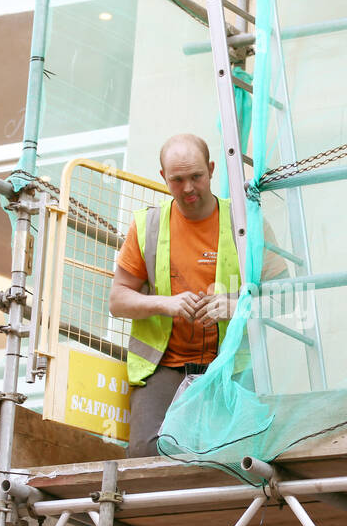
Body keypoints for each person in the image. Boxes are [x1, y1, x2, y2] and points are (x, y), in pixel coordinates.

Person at [109, 134, 284, 457]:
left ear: (212, 170)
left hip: (230, 364)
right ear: (163, 178)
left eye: (196, 177)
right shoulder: (147, 226)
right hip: (163, 366)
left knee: (236, 452)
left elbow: (284, 298)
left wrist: (235, 307)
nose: (188, 188)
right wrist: (166, 304)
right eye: (177, 180)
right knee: (148, 453)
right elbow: (117, 301)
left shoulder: (246, 223)